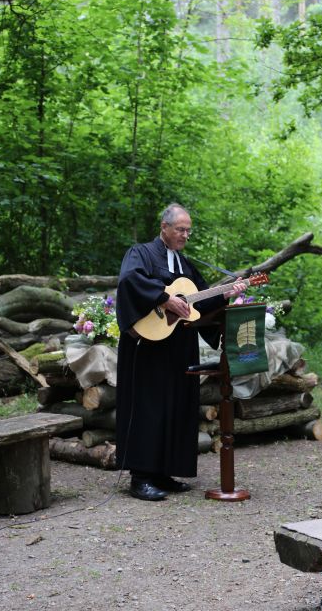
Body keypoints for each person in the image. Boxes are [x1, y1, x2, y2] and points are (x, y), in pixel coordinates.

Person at [115, 203, 246, 501]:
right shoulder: (141, 253)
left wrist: (226, 294)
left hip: (179, 347)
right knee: (149, 408)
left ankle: (165, 471)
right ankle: (141, 476)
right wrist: (163, 299)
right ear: (164, 227)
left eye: (188, 230)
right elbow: (130, 281)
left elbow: (200, 302)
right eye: (180, 229)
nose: (185, 235)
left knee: (176, 407)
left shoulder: (185, 265)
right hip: (148, 347)